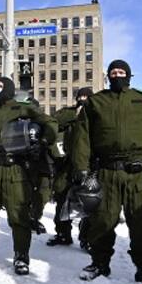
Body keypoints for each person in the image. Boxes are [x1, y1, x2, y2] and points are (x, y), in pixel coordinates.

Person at [72, 60, 142, 283]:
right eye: (113, 72)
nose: (117, 75)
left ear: (129, 75)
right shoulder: (96, 102)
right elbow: (82, 138)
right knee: (102, 221)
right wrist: (81, 168)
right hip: (106, 172)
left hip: (140, 175)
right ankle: (99, 263)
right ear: (108, 76)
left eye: (122, 72)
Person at [0, 76, 57, 275]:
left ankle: (21, 256)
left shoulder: (22, 108)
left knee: (19, 217)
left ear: (8, 89)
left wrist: (41, 141)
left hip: (15, 170)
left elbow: (49, 123)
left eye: (0, 86)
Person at [47, 87, 93, 247]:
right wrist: (77, 114)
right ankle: (62, 233)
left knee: (90, 200)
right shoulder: (69, 113)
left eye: (86, 97)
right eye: (80, 96)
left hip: (90, 166)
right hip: (67, 164)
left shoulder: (97, 115)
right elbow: (54, 120)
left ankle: (87, 237)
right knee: (61, 196)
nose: (82, 99)